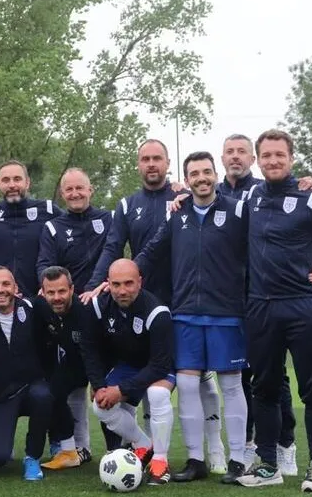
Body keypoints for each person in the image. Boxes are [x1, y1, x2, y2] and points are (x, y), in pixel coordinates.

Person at [83, 139, 223, 468]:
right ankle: (147, 451)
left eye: (156, 159)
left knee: (200, 381)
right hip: (136, 304)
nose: (151, 164)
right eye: (145, 159)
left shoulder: (181, 199)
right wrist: (95, 285)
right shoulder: (127, 205)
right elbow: (113, 247)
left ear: (167, 162)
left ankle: (213, 451)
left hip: (181, 305)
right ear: (138, 164)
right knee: (148, 385)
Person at [133, 151, 251, 483]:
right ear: (186, 180)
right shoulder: (178, 214)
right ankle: (196, 459)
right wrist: (124, 273)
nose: (201, 178)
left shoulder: (238, 211)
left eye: (206, 172)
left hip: (226, 314)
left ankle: (238, 459)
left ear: (215, 174)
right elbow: (152, 250)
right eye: (194, 173)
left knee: (231, 385)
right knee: (185, 385)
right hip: (184, 313)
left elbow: (262, 249)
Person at [237, 129, 312, 493]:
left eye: (279, 154)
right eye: (266, 155)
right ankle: (269, 465)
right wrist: (180, 196)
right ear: (258, 159)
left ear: (291, 158)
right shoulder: (250, 196)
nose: (273, 161)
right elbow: (212, 200)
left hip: (304, 310)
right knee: (263, 388)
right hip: (262, 309)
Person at [218, 133, 300, 472]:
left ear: (252, 158)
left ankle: (286, 444)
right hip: (226, 301)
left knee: (271, 377)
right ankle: (251, 444)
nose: (235, 157)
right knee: (238, 379)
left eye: (242, 152)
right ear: (222, 158)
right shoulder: (213, 192)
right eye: (229, 152)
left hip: (262, 297)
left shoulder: (264, 191)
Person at [35, 167, 113, 456]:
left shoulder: (108, 219)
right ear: (62, 193)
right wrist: (53, 291)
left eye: (81, 188)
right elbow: (44, 265)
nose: (75, 193)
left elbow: (116, 253)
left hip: (106, 311)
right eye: (69, 189)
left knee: (106, 380)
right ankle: (80, 447)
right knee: (74, 383)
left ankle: (118, 447)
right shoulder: (53, 227)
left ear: (91, 189)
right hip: (68, 312)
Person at [83, 260, 176, 486]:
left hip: (160, 365)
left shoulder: (157, 311)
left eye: (128, 283)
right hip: (129, 366)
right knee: (100, 405)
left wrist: (121, 389)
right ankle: (144, 445)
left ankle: (161, 462)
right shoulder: (99, 306)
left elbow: (160, 365)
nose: (122, 290)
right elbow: (89, 348)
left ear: (140, 282)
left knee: (157, 395)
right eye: (116, 284)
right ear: (108, 283)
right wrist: (98, 385)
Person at [0, 266, 55, 481]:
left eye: (6, 284)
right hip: (0, 395)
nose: (1, 290)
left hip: (31, 388)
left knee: (44, 395)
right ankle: (0, 441)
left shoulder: (32, 308)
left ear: (15, 288)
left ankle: (32, 457)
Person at [0, 160, 62, 298]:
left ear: (27, 182)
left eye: (17, 179)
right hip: (1, 298)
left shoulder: (48, 210)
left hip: (39, 297)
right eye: (5, 180)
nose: (12, 185)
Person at [38, 266, 97, 471]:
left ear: (72, 289)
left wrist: (98, 383)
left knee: (104, 401)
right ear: (42, 292)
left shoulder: (85, 311)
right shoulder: (41, 307)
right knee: (53, 392)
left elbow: (92, 352)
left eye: (62, 291)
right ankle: (74, 450)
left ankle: (119, 449)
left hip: (99, 362)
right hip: (68, 361)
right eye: (51, 292)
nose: (56, 297)